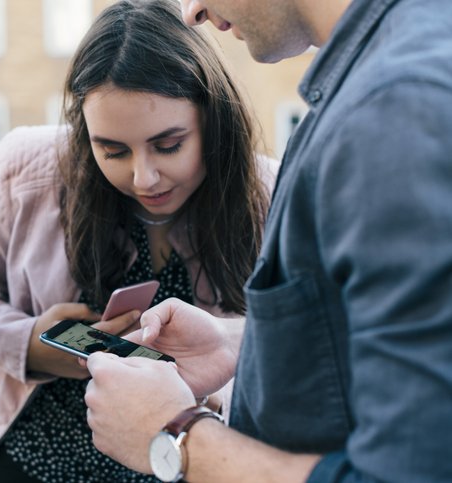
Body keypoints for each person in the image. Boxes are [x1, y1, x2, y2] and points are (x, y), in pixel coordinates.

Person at [84, 0, 452, 481]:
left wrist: (175, 434)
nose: (191, 11)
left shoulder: (393, 108)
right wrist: (237, 342)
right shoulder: (387, 73)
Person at [0, 0, 277, 481]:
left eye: (169, 145)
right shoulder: (26, 166)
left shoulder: (270, 194)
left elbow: (298, 344)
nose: (145, 178)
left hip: (183, 459)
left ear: (213, 119)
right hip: (33, 457)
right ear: (85, 132)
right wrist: (31, 345)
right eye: (112, 150)